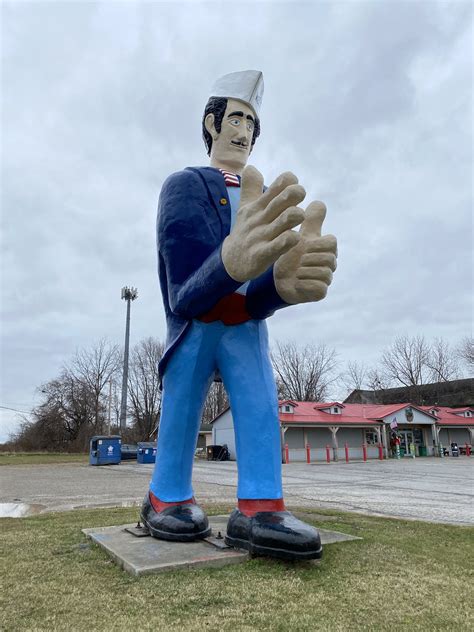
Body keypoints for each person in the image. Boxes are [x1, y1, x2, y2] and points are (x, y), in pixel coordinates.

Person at [140, 70, 338, 560]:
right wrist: (230, 262)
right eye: (235, 117)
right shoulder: (183, 186)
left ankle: (260, 507)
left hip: (245, 324)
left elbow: (255, 292)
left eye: (251, 120)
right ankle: (165, 497)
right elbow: (182, 291)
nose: (243, 129)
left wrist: (282, 287)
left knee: (259, 403)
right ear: (211, 124)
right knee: (182, 404)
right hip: (194, 323)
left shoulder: (261, 194)